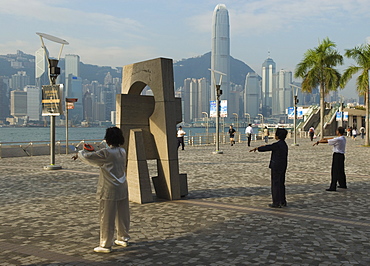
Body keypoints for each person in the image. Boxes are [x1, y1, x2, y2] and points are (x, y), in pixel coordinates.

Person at [72, 127, 130, 253]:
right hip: (122, 186)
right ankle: (123, 237)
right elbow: (101, 157)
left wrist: (80, 153)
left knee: (107, 217)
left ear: (107, 139)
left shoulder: (106, 153)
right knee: (123, 215)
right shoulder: (122, 151)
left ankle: (105, 244)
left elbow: (90, 157)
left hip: (109, 188)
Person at [250, 128, 288, 208]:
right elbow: (269, 146)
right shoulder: (284, 144)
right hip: (283, 166)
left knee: (275, 184)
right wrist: (261, 147)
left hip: (276, 167)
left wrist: (258, 148)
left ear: (277, 136)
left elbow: (268, 148)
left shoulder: (277, 145)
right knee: (281, 184)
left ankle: (276, 202)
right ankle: (282, 201)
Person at [313, 126, 347, 191]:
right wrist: (324, 138)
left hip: (337, 155)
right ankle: (343, 184)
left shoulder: (338, 139)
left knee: (335, 171)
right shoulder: (343, 138)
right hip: (341, 155)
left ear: (338, 132)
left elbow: (328, 141)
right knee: (341, 171)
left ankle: (333, 186)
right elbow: (332, 138)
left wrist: (319, 142)